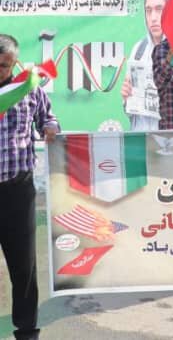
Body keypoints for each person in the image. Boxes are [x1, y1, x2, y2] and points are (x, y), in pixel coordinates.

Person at [0, 34, 59, 340]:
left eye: (4, 65)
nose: (0, 70)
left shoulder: (27, 87)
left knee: (24, 266)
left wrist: (50, 128)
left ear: (13, 63)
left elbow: (48, 117)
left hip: (17, 190)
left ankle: (27, 331)